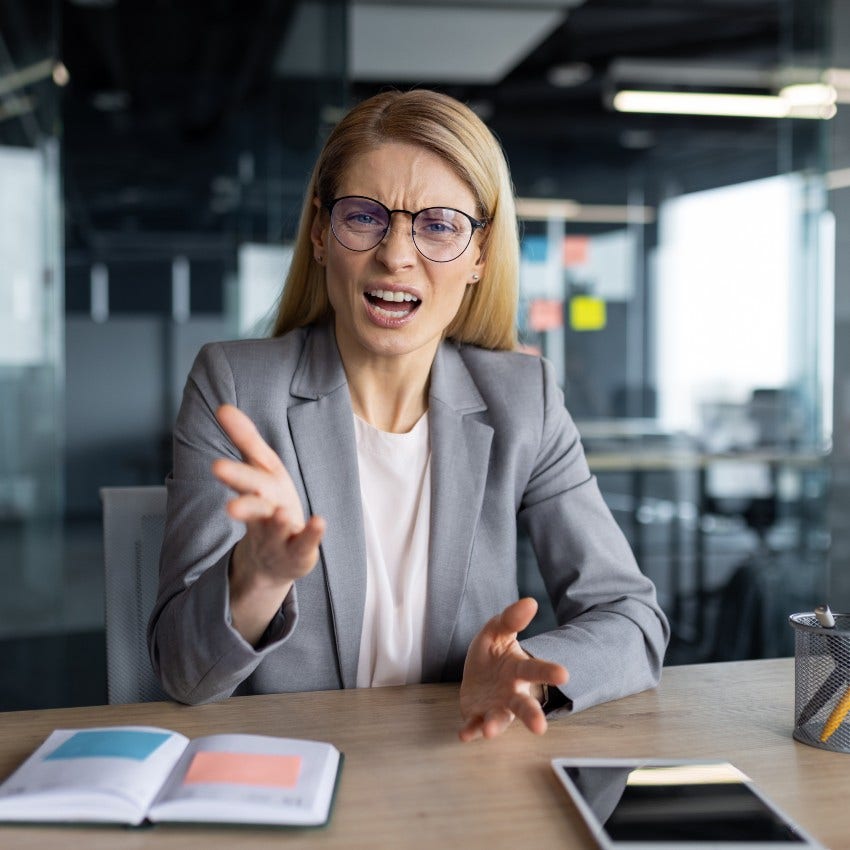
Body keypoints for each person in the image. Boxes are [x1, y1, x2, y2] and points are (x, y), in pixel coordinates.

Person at [148, 89, 669, 742]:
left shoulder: (524, 399)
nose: (396, 254)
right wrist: (258, 577)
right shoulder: (236, 387)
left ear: (480, 255)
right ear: (321, 233)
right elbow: (184, 673)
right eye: (364, 217)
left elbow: (631, 618)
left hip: (456, 760)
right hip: (296, 767)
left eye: (440, 225)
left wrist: (525, 677)